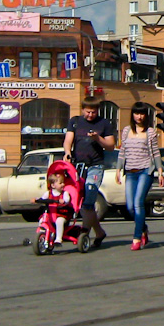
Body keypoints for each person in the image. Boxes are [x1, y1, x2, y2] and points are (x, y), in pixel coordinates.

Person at [63, 95, 115, 248]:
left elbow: (110, 146)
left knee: (88, 201)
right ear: (83, 110)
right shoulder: (75, 121)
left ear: (97, 111)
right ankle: (99, 232)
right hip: (78, 166)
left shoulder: (104, 123)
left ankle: (84, 231)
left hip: (95, 166)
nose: (90, 115)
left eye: (93, 112)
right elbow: (68, 140)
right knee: (79, 202)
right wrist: (67, 152)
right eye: (87, 112)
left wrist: (98, 138)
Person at [116, 102, 164, 251]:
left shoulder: (150, 132)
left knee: (138, 203)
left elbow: (156, 152)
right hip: (130, 172)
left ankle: (137, 238)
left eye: (142, 113)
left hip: (145, 170)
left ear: (146, 115)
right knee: (130, 207)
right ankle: (143, 228)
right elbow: (122, 151)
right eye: (137, 113)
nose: (139, 116)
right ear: (132, 115)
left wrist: (160, 171)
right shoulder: (126, 131)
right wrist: (118, 169)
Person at [37, 171, 72, 245]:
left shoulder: (64, 193)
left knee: (59, 221)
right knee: (42, 220)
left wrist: (64, 201)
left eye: (63, 182)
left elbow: (67, 199)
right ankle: (42, 235)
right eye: (60, 183)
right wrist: (37, 200)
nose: (63, 184)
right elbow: (43, 198)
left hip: (61, 214)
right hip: (50, 214)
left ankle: (58, 239)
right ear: (53, 185)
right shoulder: (48, 193)